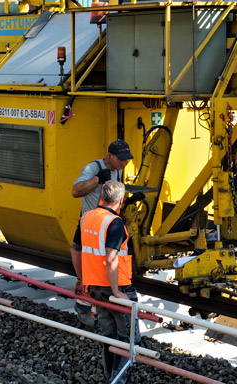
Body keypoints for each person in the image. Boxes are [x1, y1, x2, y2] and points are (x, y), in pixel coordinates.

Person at [72, 181, 140, 382]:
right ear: (121, 200)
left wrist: (81, 278)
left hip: (95, 287)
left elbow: (75, 249)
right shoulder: (115, 222)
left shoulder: (87, 217)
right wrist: (116, 291)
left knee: (108, 336)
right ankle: (117, 380)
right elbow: (111, 256)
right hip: (116, 287)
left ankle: (109, 376)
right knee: (128, 340)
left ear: (102, 196)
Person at [72, 139, 133, 215]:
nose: (124, 164)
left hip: (106, 221)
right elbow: (75, 192)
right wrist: (97, 178)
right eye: (120, 159)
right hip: (90, 222)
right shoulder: (93, 168)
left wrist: (127, 200)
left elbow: (110, 198)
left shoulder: (118, 170)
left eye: (126, 160)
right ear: (110, 155)